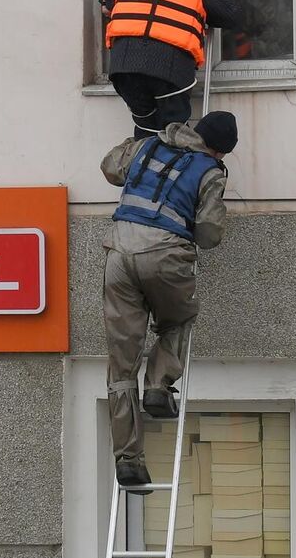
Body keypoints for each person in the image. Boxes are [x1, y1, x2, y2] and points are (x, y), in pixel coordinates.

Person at [100, 110, 237, 488]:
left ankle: (128, 460)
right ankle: (159, 387)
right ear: (222, 150)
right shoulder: (210, 171)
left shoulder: (148, 145)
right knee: (177, 319)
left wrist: (135, 146)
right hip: (165, 255)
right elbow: (209, 234)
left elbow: (110, 167)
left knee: (121, 365)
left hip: (119, 253)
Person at [104, 0, 242, 134]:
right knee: (175, 134)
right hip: (169, 71)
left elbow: (108, 3)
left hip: (124, 68)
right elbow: (231, 15)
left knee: (145, 128)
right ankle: (176, 164)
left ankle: (144, 163)